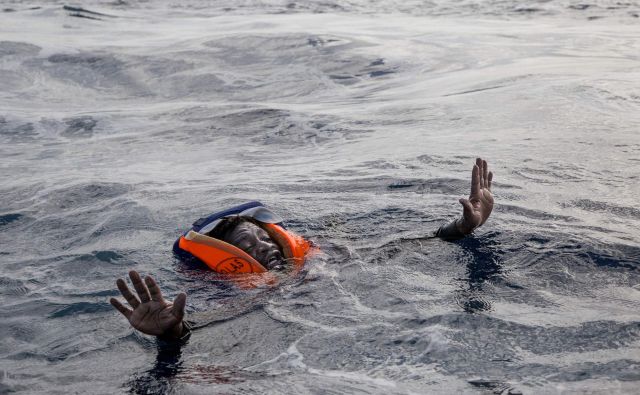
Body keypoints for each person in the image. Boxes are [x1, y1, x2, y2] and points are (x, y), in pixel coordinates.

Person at [110, 158, 494, 340]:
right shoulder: (250, 299)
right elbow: (206, 323)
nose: (263, 245)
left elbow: (400, 247)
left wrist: (461, 227)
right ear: (231, 262)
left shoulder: (328, 260)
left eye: (263, 236)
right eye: (247, 244)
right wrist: (172, 333)